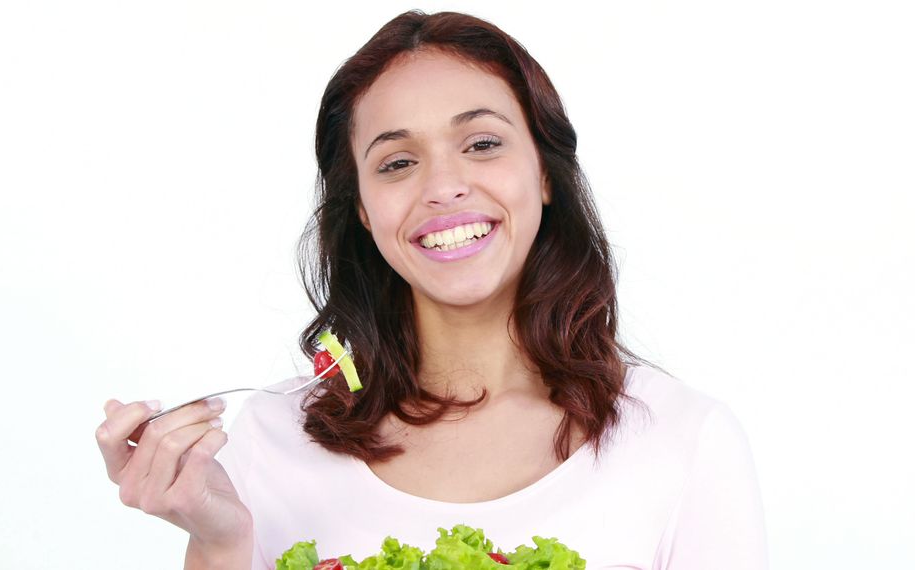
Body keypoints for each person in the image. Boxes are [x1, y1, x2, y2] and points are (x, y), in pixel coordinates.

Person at [95, 10, 768, 570]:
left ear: (544, 175)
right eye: (397, 162)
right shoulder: (270, 438)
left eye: (481, 144)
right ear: (362, 209)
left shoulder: (684, 441)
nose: (443, 186)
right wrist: (218, 541)